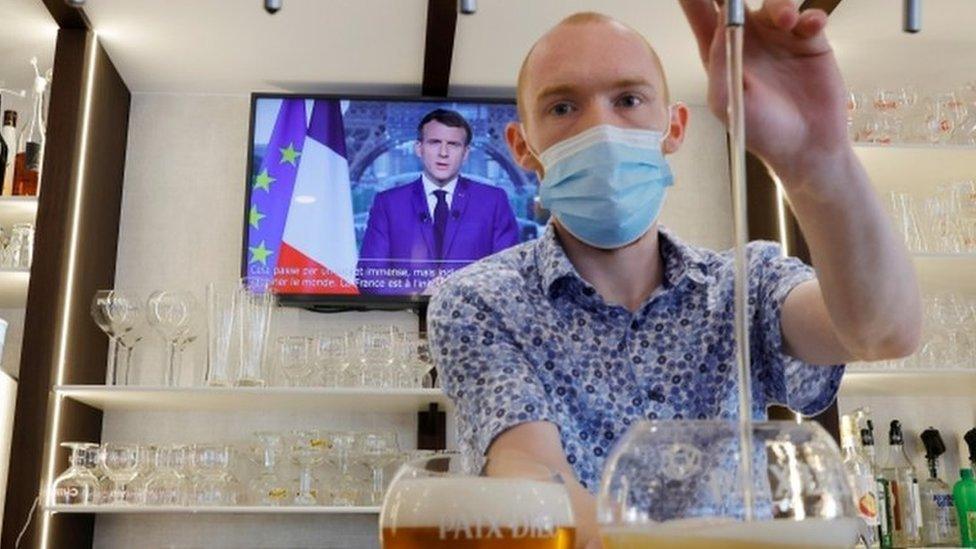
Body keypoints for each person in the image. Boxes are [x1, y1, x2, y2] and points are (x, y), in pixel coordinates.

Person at [427, 2, 923, 548]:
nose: (602, 128)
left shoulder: (746, 286)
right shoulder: (479, 302)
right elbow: (536, 484)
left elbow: (882, 330)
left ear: (674, 127)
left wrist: (818, 159)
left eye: (629, 100)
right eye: (564, 106)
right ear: (524, 146)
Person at [357, 108, 519, 294]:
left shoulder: (493, 201)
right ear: (419, 148)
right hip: (405, 316)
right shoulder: (388, 203)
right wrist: (419, 292)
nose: (443, 152)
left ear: (465, 153)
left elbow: (508, 275)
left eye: (453, 144)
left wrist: (457, 293)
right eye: (434, 142)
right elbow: (368, 277)